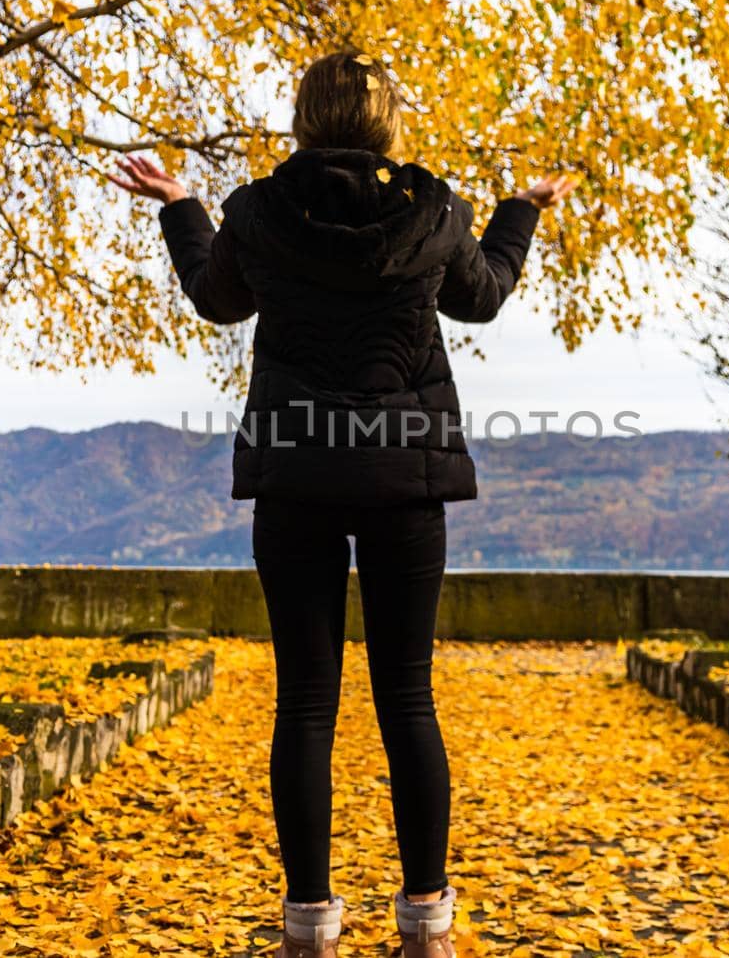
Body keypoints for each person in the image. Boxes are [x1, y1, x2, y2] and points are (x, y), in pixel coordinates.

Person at [108, 51, 577, 958]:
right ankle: (428, 931)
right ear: (385, 124)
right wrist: (521, 211)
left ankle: (309, 931)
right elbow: (482, 298)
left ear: (303, 117)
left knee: (306, 704)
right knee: (408, 699)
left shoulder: (255, 210)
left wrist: (180, 207)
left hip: (298, 475)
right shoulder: (435, 210)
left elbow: (217, 299)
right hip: (405, 479)